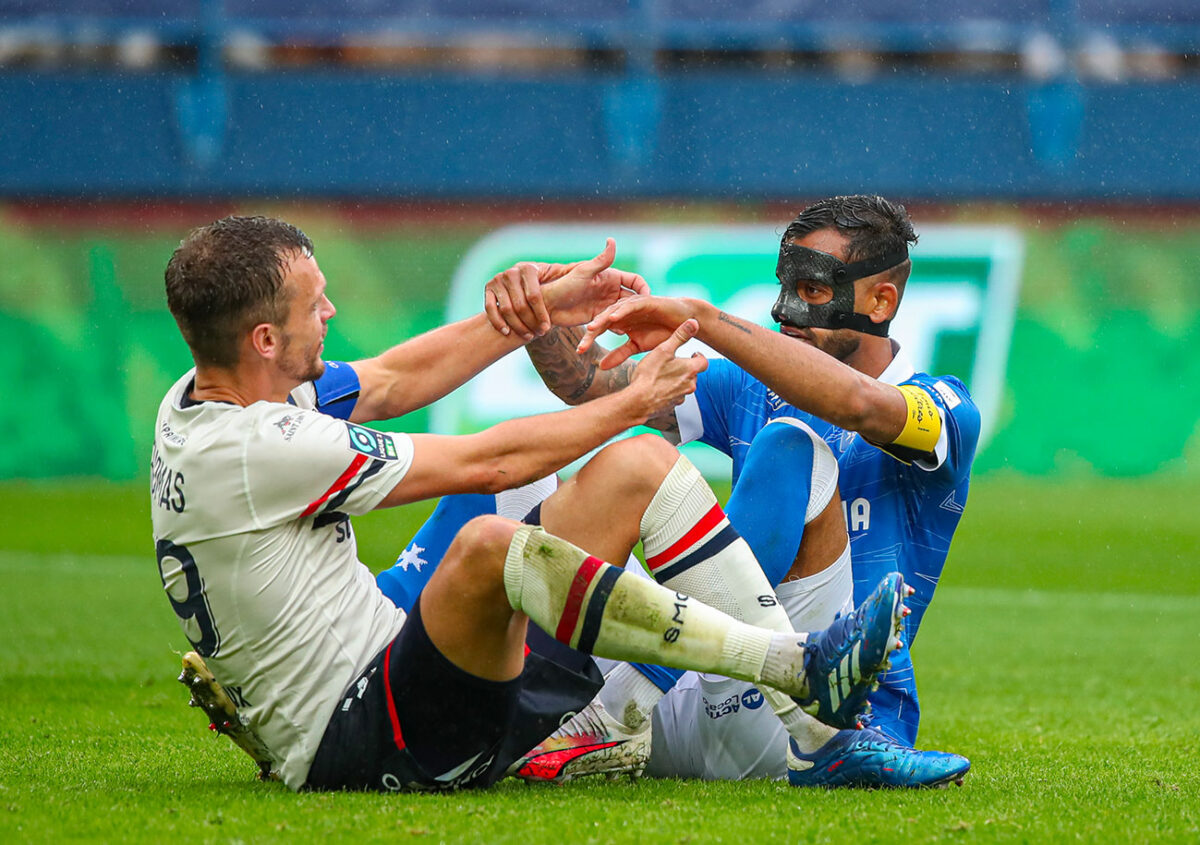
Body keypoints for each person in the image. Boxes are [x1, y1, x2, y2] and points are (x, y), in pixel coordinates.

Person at [152, 214, 909, 793]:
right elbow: (494, 457)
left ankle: (809, 733)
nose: (332, 312)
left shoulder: (200, 400)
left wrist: (536, 309)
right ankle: (793, 664)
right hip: (363, 735)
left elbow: (387, 381)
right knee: (488, 542)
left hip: (407, 669)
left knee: (638, 465)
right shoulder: (267, 447)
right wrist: (634, 398)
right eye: (315, 306)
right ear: (261, 338)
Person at [479, 195, 978, 785]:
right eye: (784, 285)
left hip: (819, 719)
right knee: (510, 480)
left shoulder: (944, 409)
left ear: (880, 300)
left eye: (813, 290)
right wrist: (542, 316)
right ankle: (448, 695)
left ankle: (619, 707)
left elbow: (859, 404)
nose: (785, 309)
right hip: (697, 692)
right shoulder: (748, 385)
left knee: (792, 447)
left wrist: (706, 322)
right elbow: (592, 387)